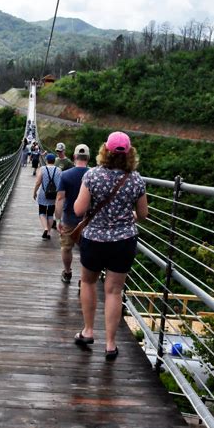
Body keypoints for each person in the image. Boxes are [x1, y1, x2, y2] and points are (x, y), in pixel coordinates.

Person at [73, 131, 148, 361]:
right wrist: (129, 215)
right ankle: (110, 345)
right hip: (123, 242)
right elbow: (143, 214)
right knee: (114, 291)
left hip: (94, 240)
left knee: (88, 282)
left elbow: (78, 210)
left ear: (105, 150)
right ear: (129, 153)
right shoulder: (136, 179)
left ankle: (87, 331)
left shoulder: (92, 176)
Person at [55, 144, 90, 283]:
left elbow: (60, 198)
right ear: (88, 157)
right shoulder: (94, 174)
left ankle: (67, 272)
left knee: (66, 247)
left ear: (74, 157)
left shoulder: (65, 175)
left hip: (69, 218)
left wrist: (58, 220)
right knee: (86, 250)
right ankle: (84, 278)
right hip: (88, 220)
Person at [33, 154, 62, 240]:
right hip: (54, 195)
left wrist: (34, 192)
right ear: (54, 161)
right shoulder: (59, 170)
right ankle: (48, 233)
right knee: (50, 214)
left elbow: (38, 182)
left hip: (43, 194)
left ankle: (45, 228)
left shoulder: (42, 169)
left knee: (42, 212)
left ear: (46, 160)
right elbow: (61, 183)